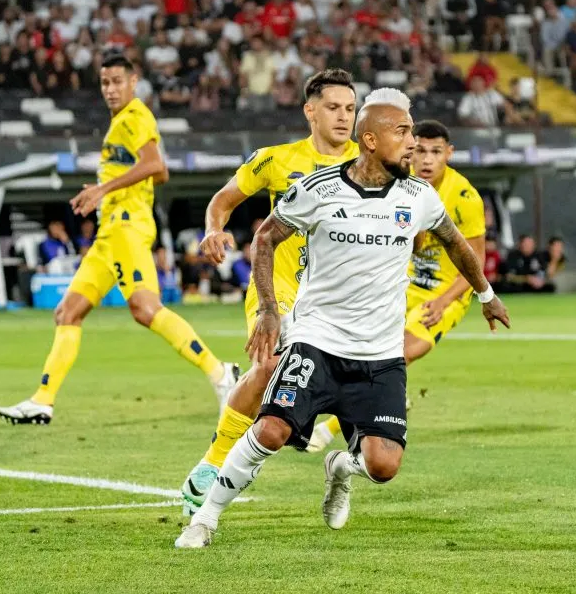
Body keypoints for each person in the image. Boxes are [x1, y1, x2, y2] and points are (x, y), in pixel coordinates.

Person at [174, 88, 510, 548]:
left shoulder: (419, 197)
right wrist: (270, 309)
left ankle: (340, 466)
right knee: (272, 429)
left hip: (380, 352)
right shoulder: (320, 189)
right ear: (370, 140)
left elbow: (456, 242)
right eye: (403, 132)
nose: (412, 142)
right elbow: (266, 238)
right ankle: (205, 518)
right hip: (318, 342)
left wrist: (486, 294)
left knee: (383, 467)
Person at [0, 54, 239, 425]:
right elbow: (158, 174)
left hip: (126, 228)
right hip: (109, 236)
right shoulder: (121, 125)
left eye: (116, 81)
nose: (110, 89)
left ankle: (222, 375)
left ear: (133, 81)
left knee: (145, 309)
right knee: (67, 312)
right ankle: (42, 400)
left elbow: (156, 165)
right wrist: (117, 186)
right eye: (104, 82)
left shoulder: (134, 116)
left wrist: (104, 188)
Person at [177, 68, 360, 514]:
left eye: (351, 109)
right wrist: (213, 230)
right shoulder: (275, 160)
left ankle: (325, 445)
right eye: (333, 108)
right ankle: (213, 463)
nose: (343, 117)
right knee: (269, 365)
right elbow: (222, 200)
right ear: (309, 111)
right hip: (274, 291)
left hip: (336, 300)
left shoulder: (370, 163)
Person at [306, 120, 486, 452]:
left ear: (449, 153)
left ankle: (330, 427)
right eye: (420, 151)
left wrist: (445, 301)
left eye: (436, 152)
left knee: (398, 353)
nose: (427, 160)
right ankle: (388, 400)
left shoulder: (464, 197)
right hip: (400, 288)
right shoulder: (401, 187)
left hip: (441, 296)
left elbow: (477, 261)